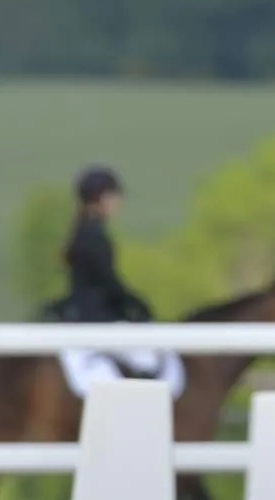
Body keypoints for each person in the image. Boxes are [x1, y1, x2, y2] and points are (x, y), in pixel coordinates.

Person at [54, 165, 185, 400]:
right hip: (98, 318)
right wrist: (133, 303)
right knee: (150, 359)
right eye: (114, 197)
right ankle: (143, 409)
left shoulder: (84, 232)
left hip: (88, 314)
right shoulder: (93, 236)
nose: (119, 203)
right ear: (100, 199)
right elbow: (107, 282)